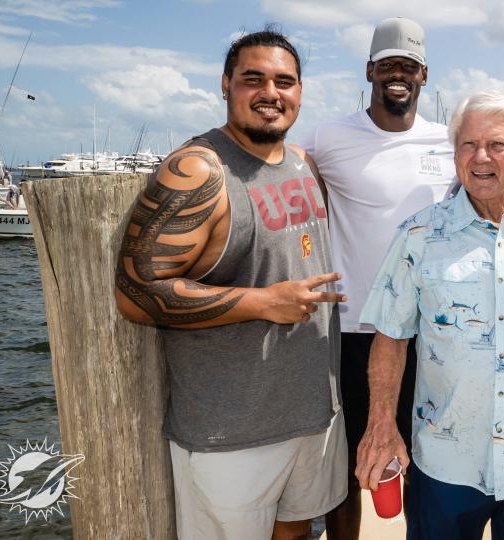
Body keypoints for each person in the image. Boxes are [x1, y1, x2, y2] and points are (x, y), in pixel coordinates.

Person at [114, 28, 348, 540]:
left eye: (284, 81)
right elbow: (135, 294)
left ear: (301, 92)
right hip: (231, 433)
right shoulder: (198, 170)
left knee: (297, 530)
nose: (270, 93)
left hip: (313, 415)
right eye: (253, 79)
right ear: (226, 85)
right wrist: (261, 301)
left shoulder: (304, 165)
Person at [356, 91, 504, 540]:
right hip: (444, 464)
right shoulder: (418, 235)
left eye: (497, 145)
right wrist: (381, 424)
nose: (480, 157)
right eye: (467, 145)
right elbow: (391, 337)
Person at [301, 17, 455, 540]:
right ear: (369, 70)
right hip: (351, 328)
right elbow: (285, 167)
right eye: (388, 65)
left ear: (424, 75)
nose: (398, 75)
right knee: (345, 463)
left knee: (422, 462)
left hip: (427, 331)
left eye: (408, 66)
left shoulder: (448, 141)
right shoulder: (330, 136)